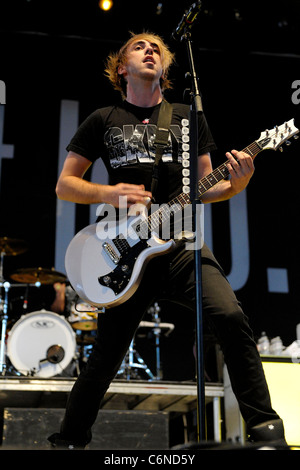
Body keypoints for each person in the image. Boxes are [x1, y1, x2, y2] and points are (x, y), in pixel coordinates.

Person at [48, 32, 286, 448]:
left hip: (180, 246)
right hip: (126, 254)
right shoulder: (103, 118)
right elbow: (65, 186)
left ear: (167, 66)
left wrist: (238, 184)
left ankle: (266, 429)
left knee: (230, 317)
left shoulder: (186, 116)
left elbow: (207, 186)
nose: (151, 49)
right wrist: (108, 192)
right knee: (105, 358)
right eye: (139, 46)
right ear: (122, 67)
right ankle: (68, 441)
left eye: (157, 47)